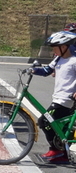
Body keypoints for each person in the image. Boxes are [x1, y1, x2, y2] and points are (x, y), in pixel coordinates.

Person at [29, 31, 76, 164]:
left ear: (64, 46)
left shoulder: (74, 61)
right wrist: (34, 70)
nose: (53, 51)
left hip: (66, 100)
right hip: (58, 98)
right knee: (62, 127)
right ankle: (64, 153)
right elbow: (46, 71)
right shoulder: (58, 58)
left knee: (44, 121)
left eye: (55, 47)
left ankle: (55, 150)